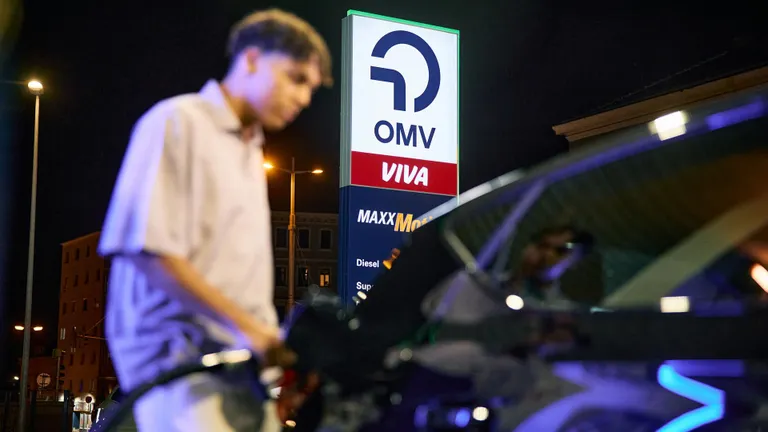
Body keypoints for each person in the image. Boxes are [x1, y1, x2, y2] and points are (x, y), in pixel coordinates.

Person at [97, 8, 332, 431]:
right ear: (253, 59)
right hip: (179, 364)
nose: (303, 99)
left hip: (235, 364)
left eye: (311, 89)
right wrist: (252, 332)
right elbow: (148, 251)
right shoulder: (177, 122)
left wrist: (268, 345)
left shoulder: (249, 148)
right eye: (296, 78)